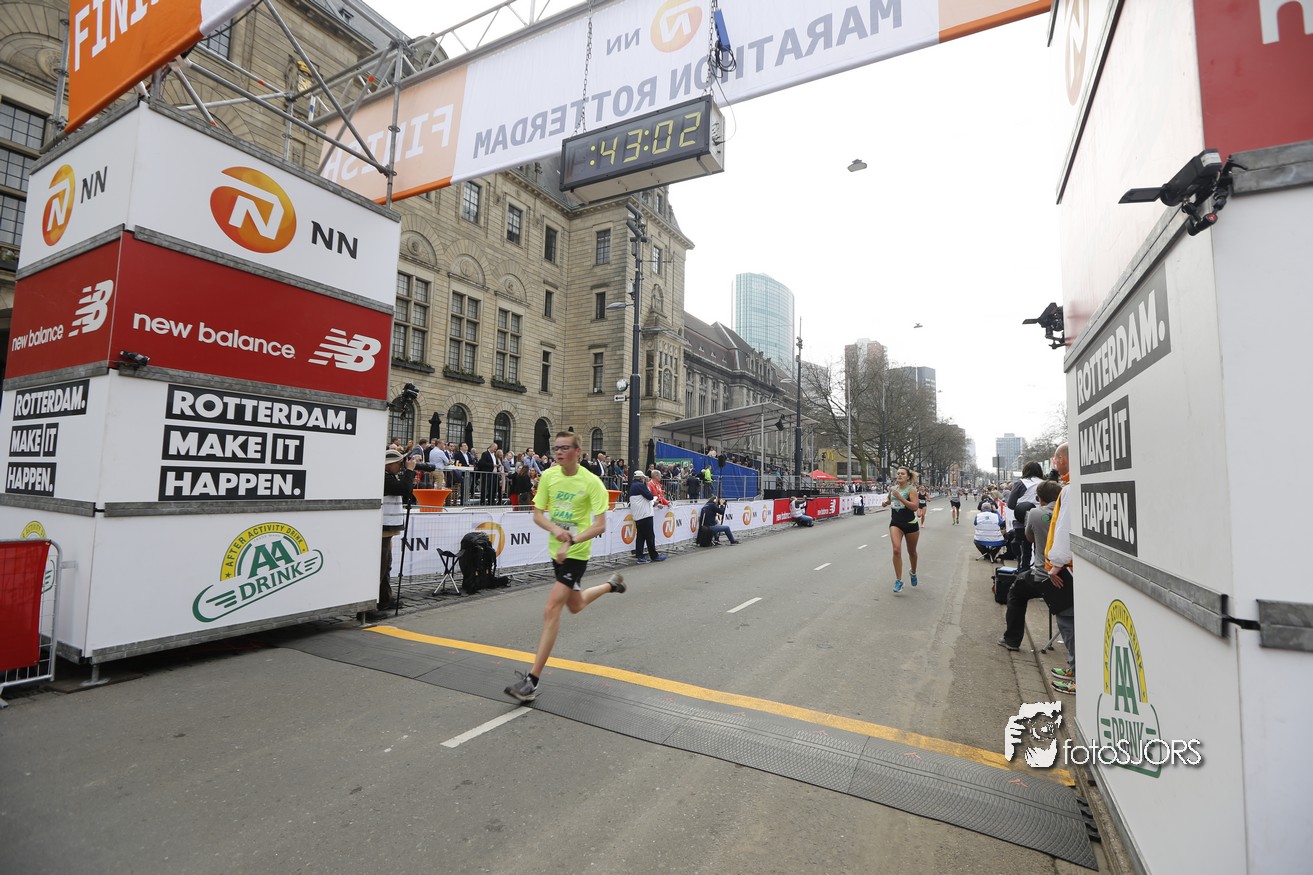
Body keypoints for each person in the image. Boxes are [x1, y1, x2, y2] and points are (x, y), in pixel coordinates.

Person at [504, 431, 626, 702]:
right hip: (556, 552)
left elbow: (600, 525)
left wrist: (571, 540)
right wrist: (556, 531)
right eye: (556, 448)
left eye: (565, 448)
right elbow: (537, 515)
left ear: (578, 452)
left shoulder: (592, 482)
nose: (558, 452)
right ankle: (611, 585)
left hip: (576, 553)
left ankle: (531, 681)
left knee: (552, 609)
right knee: (576, 605)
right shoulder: (549, 476)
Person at [996, 479, 1062, 652]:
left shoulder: (1035, 513)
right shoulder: (1068, 512)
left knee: (1016, 592)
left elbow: (1029, 538)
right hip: (1068, 578)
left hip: (1044, 576)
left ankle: (1012, 640)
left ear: (1040, 499)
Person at [1044, 443, 1076, 694]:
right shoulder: (1073, 486)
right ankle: (1074, 667)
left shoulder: (1071, 489)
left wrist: (1056, 564)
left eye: (1056, 458)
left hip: (1066, 569)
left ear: (1063, 460)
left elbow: (1064, 528)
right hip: (1070, 566)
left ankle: (1078, 673)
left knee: (1068, 622)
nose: (1055, 463)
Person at [380, 448, 417, 611]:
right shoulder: (383, 478)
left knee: (386, 565)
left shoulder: (390, 477)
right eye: (398, 464)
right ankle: (376, 602)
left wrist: (408, 474)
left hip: (388, 528)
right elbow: (404, 489)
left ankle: (384, 598)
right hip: (383, 527)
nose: (401, 466)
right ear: (388, 465)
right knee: (380, 567)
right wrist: (409, 471)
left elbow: (406, 489)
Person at [882, 466, 921, 592]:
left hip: (910, 524)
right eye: (898, 473)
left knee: (912, 552)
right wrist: (885, 502)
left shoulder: (912, 490)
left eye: (902, 474)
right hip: (896, 523)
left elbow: (915, 507)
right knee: (896, 550)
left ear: (908, 476)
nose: (899, 475)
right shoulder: (893, 489)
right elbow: (890, 500)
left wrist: (900, 498)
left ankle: (913, 572)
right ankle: (898, 580)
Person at [627, 471, 665, 563]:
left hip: (638, 515)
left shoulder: (633, 486)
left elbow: (643, 499)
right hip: (645, 515)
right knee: (649, 536)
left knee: (640, 537)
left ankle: (640, 556)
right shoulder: (640, 486)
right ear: (641, 478)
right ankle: (654, 556)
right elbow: (650, 496)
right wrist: (647, 486)